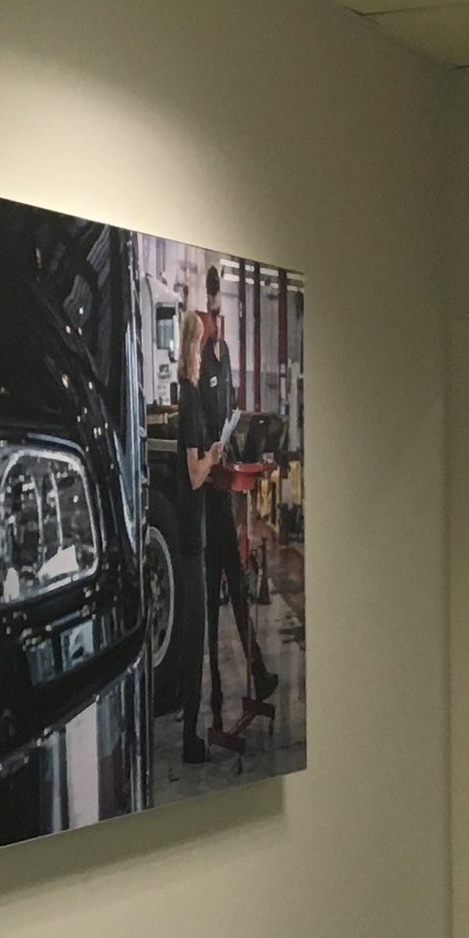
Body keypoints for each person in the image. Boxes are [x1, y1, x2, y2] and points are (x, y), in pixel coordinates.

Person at [177, 263, 278, 764]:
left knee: (234, 581)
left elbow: (230, 397)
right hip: (207, 491)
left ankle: (250, 674)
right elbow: (194, 470)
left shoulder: (223, 358)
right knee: (205, 614)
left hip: (218, 494)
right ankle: (201, 718)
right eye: (211, 310)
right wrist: (216, 455)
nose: (214, 318)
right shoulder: (192, 392)